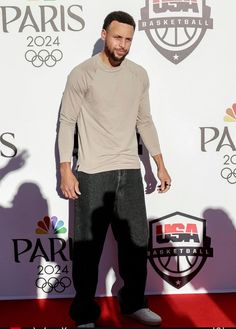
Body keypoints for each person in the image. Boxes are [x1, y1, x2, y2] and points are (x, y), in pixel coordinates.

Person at [58, 11, 171, 327]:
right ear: (104, 34)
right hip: (93, 172)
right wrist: (66, 170)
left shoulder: (138, 74)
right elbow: (67, 122)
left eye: (128, 39)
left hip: (130, 171)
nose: (122, 45)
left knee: (136, 245)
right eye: (117, 37)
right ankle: (83, 314)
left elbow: (144, 120)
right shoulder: (82, 73)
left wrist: (159, 165)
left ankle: (134, 302)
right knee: (87, 250)